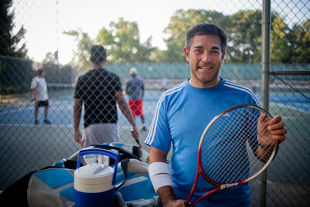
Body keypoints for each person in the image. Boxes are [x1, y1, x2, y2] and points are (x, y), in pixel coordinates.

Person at [144, 23, 287, 207]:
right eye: (199, 50)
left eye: (214, 51)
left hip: (235, 203)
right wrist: (168, 201)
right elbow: (157, 157)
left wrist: (267, 145)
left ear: (223, 56)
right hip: (183, 202)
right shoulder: (168, 100)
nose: (206, 58)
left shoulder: (244, 97)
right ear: (187, 54)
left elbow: (262, 155)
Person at [73, 45, 139, 148]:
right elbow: (122, 104)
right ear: (105, 59)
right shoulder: (113, 78)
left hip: (90, 125)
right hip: (110, 124)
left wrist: (76, 129)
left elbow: (77, 108)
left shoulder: (82, 79)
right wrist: (134, 125)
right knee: (111, 159)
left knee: (91, 161)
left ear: (90, 59)